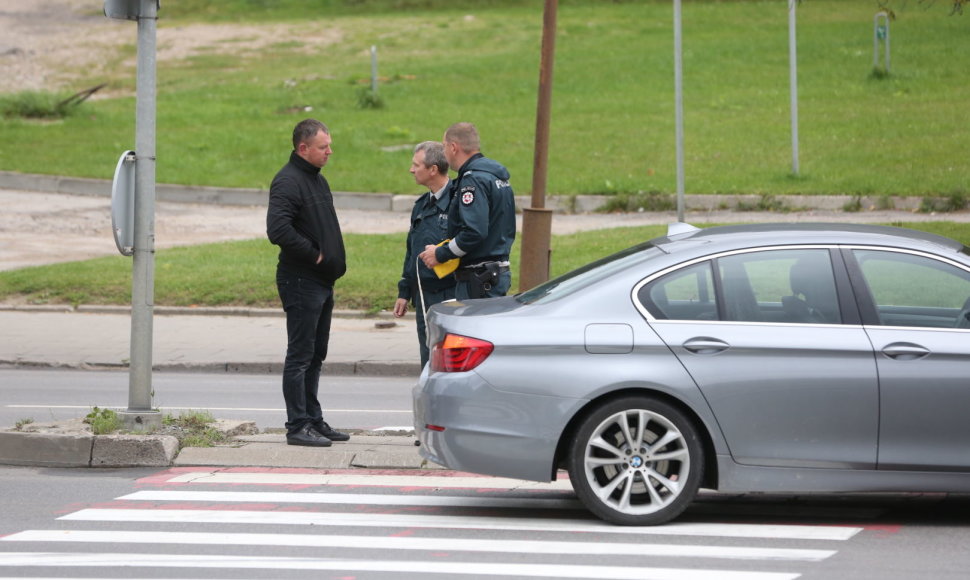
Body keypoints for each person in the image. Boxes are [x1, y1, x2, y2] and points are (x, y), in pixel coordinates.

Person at [266, 118, 350, 447]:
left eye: (329, 145)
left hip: (322, 282)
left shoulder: (317, 180)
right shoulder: (288, 181)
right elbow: (278, 230)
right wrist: (315, 256)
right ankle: (297, 425)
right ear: (303, 148)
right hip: (301, 280)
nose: (330, 151)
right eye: (323, 147)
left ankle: (314, 420)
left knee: (316, 354)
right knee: (300, 355)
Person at [418, 122, 516, 300]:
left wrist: (440, 253)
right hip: (493, 274)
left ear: (454, 147)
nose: (444, 153)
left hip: (478, 280)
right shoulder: (495, 176)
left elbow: (474, 232)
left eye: (444, 147)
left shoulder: (473, 181)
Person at [393, 141, 455, 368]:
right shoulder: (421, 205)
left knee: (449, 361)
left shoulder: (457, 203)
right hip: (423, 295)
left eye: (416, 165)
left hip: (450, 295)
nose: (411, 169)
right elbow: (412, 250)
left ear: (433, 170)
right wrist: (404, 291)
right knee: (427, 360)